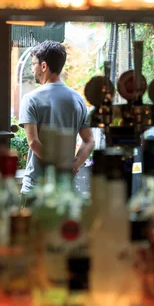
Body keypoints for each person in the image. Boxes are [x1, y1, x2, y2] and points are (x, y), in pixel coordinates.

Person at [19, 40, 94, 196]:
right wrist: (71, 165)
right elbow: (89, 141)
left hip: (35, 188)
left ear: (44, 66)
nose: (33, 70)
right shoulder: (78, 99)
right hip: (65, 189)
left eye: (34, 64)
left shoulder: (30, 99)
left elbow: (33, 142)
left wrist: (56, 167)